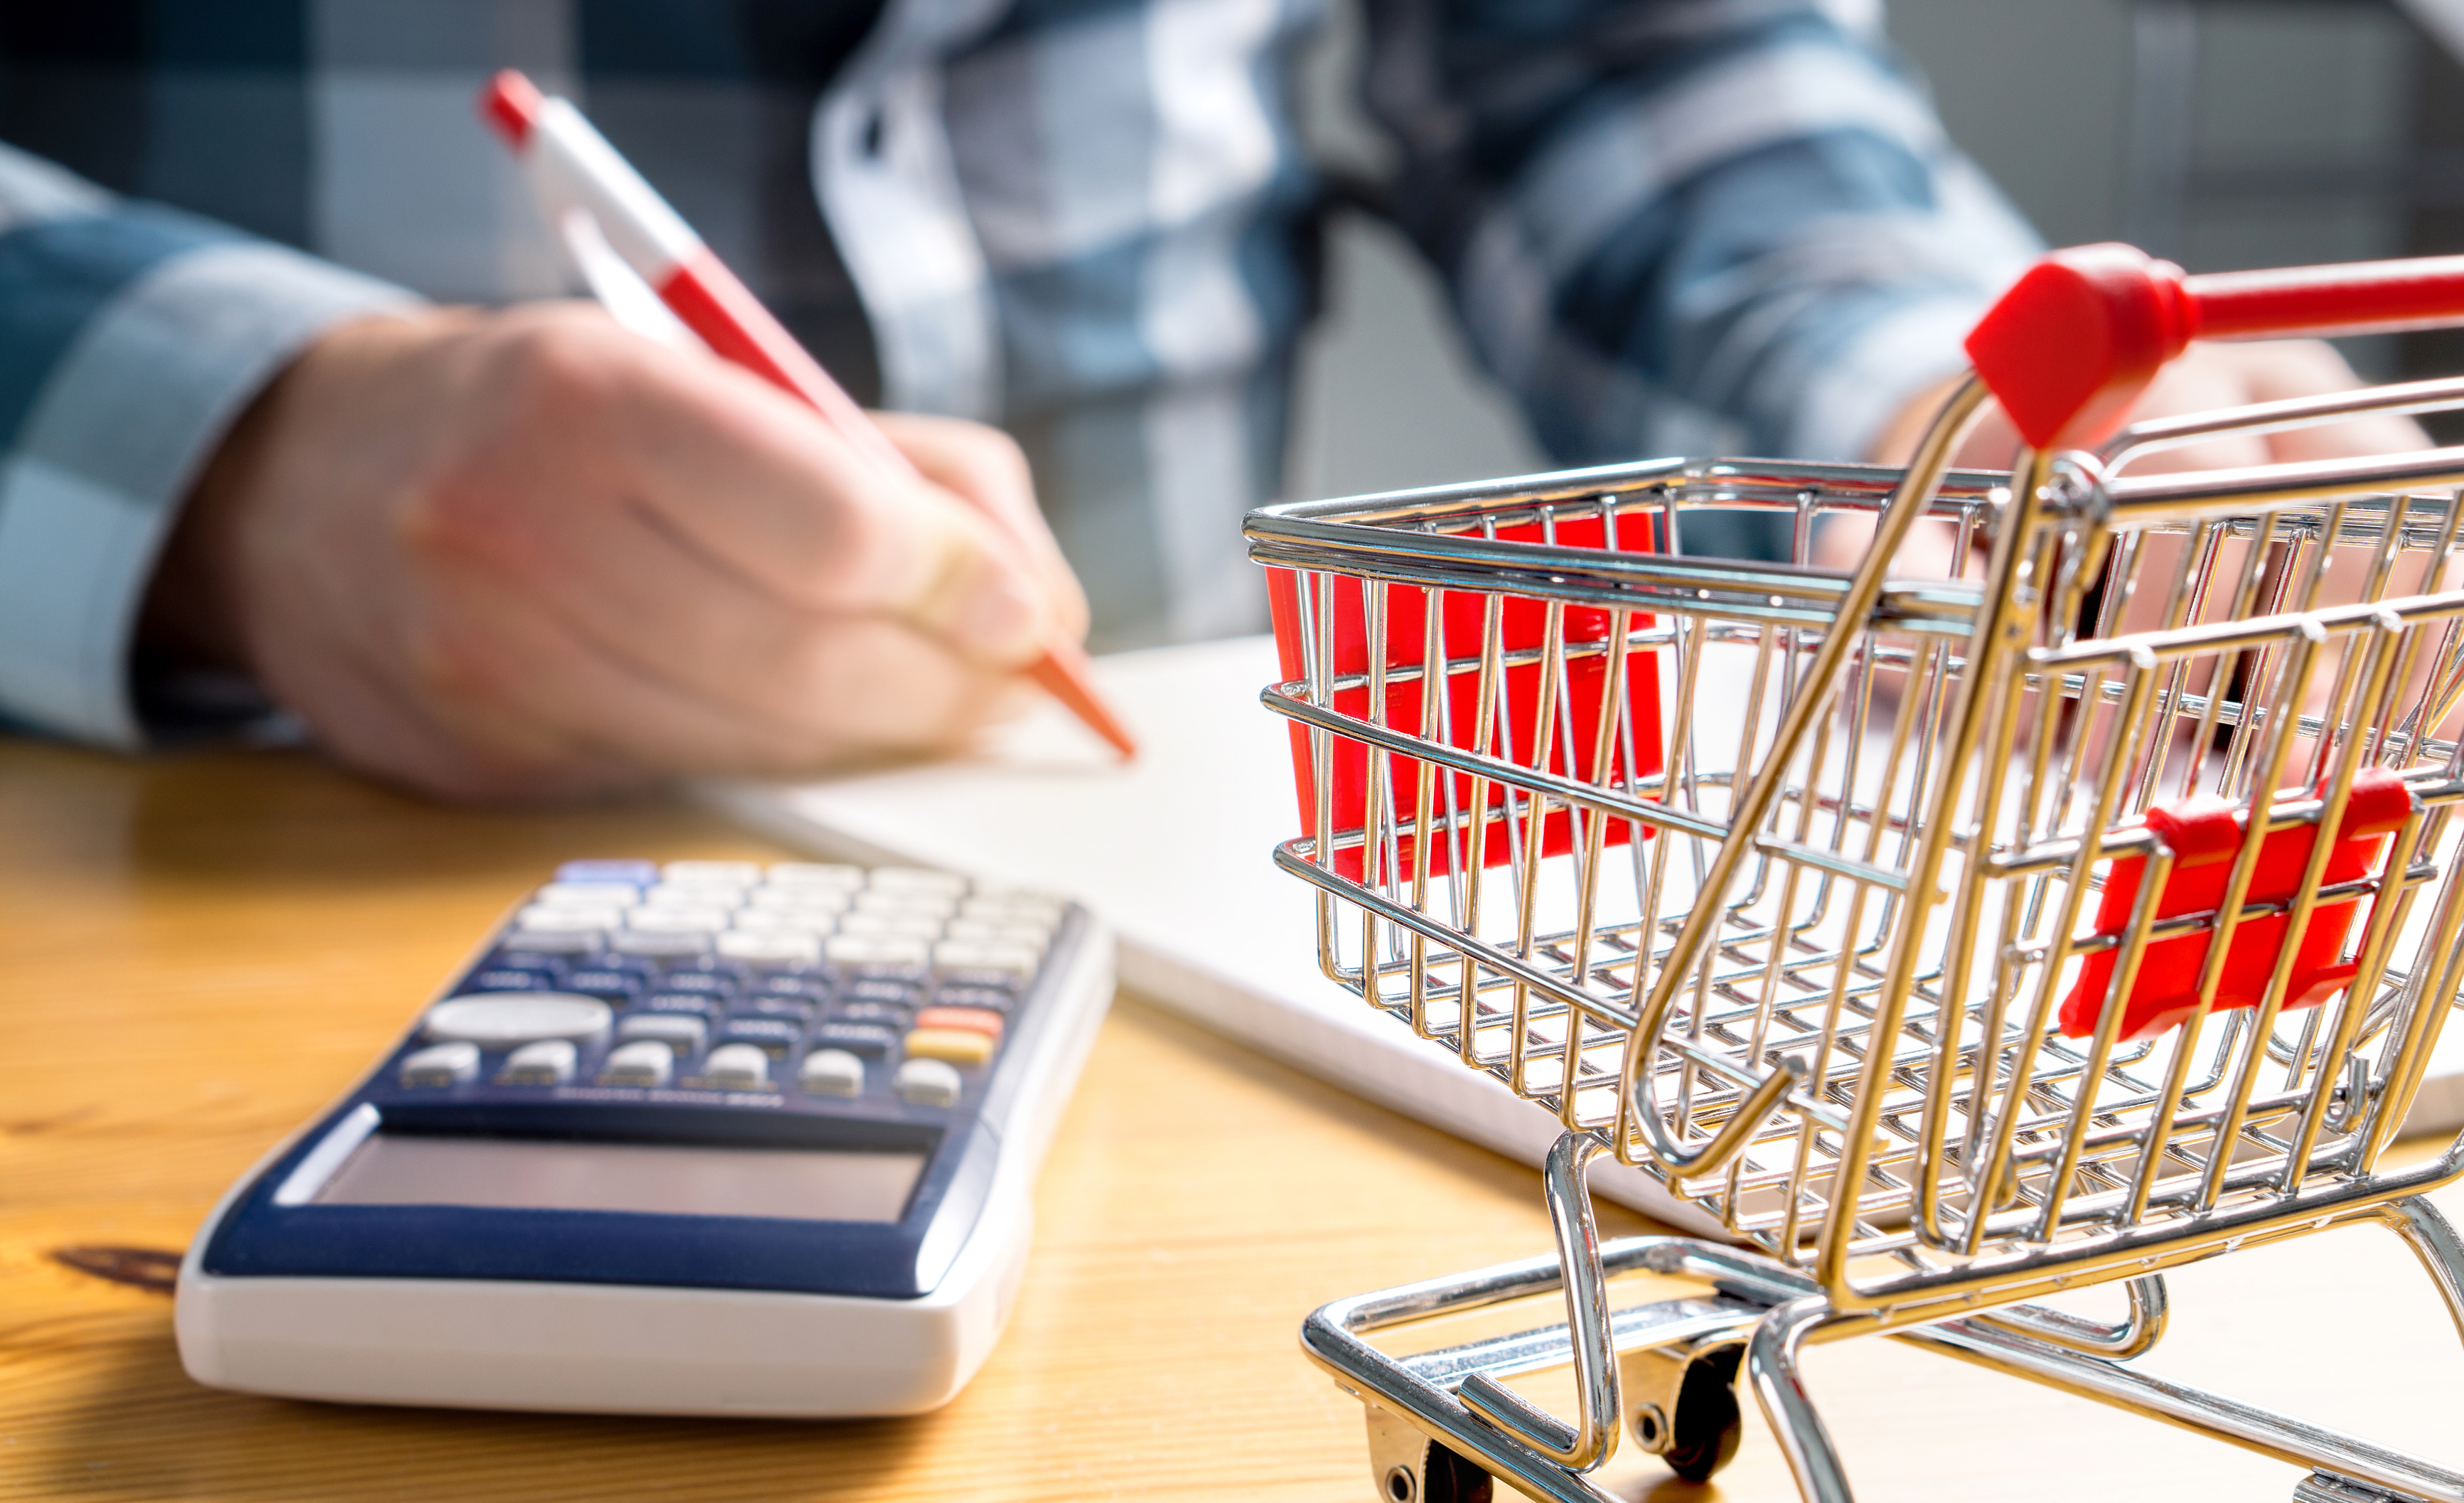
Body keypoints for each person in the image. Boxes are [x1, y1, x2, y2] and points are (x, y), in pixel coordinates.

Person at [0, 1, 2417, 802]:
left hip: (1121, 837)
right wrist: (234, 449)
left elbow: (1612, 45)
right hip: (180, 831)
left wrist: (1933, 382)